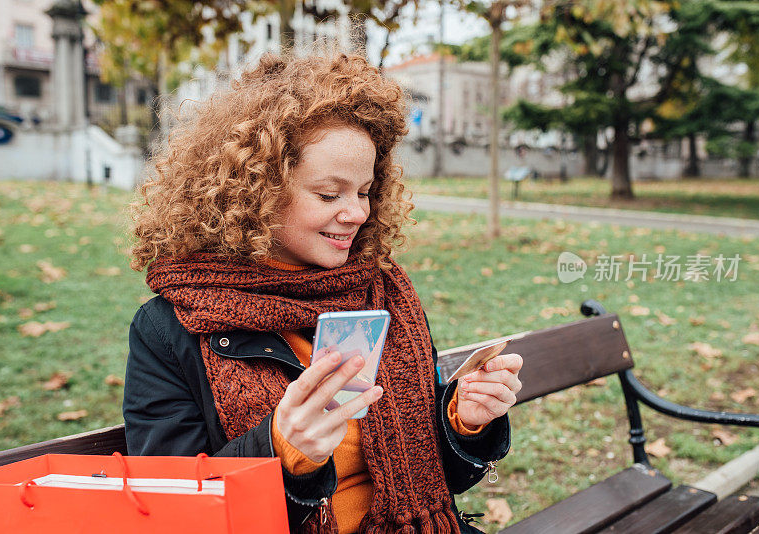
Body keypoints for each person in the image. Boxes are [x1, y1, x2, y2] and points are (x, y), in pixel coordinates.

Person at [123, 52, 523, 534]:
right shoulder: (170, 327)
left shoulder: (382, 290)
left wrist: (465, 420)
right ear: (256, 192)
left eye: (365, 191)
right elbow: (173, 511)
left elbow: (441, 479)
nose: (356, 213)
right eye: (330, 194)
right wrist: (281, 449)